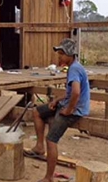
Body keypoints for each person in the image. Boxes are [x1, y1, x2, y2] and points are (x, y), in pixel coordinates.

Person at [26, 38, 90, 182]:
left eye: (62, 54)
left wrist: (68, 110)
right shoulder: (73, 67)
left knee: (52, 139)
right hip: (69, 104)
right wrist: (56, 100)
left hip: (76, 110)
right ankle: (39, 146)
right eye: (59, 53)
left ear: (70, 54)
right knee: (37, 112)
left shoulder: (74, 69)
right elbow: (69, 93)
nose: (59, 56)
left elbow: (76, 93)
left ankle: (49, 178)